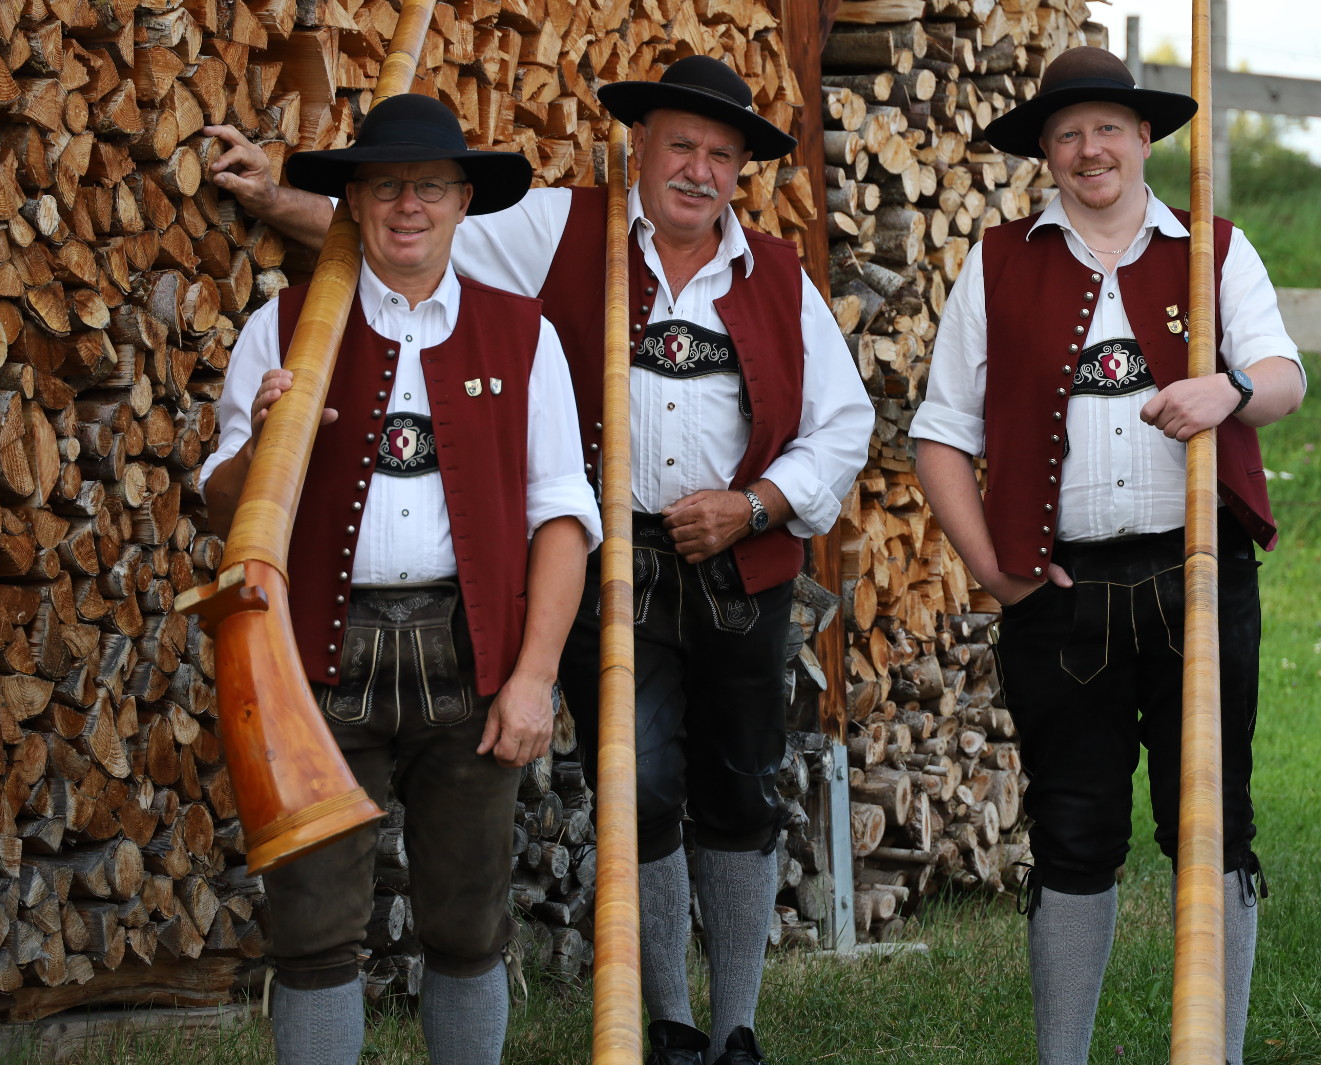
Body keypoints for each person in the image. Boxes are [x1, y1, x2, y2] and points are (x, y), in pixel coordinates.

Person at [210, 56, 873, 1065]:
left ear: (741, 172)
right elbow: (407, 234)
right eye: (679, 146)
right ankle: (670, 1022)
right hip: (595, 579)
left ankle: (732, 1028)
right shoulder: (555, 232)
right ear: (638, 147)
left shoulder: (770, 277)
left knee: (739, 788)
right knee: (635, 788)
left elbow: (841, 425)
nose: (697, 170)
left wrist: (756, 505)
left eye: (720, 156)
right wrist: (275, 195)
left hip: (738, 564)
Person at [911, 46, 1305, 1065]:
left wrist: (1226, 391)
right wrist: (990, 566)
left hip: (1200, 581)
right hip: (1060, 589)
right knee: (1072, 830)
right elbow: (938, 433)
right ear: (1043, 150)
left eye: (1108, 129)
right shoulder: (999, 262)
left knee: (1210, 823)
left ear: (1143, 139)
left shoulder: (1211, 248)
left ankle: (1207, 1053)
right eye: (1067, 132)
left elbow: (1280, 376)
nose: (1090, 149)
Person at [199, 93, 600, 1065]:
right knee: (311, 931)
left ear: (464, 200)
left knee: (468, 923)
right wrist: (265, 439)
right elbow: (220, 509)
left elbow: (561, 516)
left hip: (472, 663)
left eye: (428, 186)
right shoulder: (284, 329)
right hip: (315, 669)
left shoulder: (521, 334)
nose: (407, 205)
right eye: (384, 187)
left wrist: (537, 675)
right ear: (353, 202)